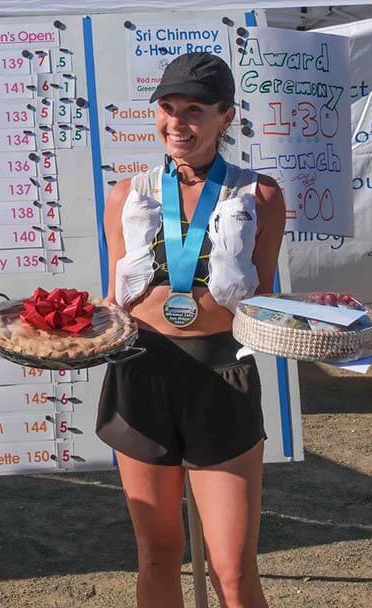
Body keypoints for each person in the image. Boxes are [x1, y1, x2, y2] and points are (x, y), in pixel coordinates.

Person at [97, 52, 286, 608]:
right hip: (141, 374)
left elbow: (264, 296)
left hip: (221, 374)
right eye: (168, 107)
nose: (177, 123)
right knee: (157, 556)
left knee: (233, 569)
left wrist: (320, 317)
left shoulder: (262, 195)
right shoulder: (126, 195)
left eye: (195, 110)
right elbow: (115, 300)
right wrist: (67, 329)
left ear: (226, 116)